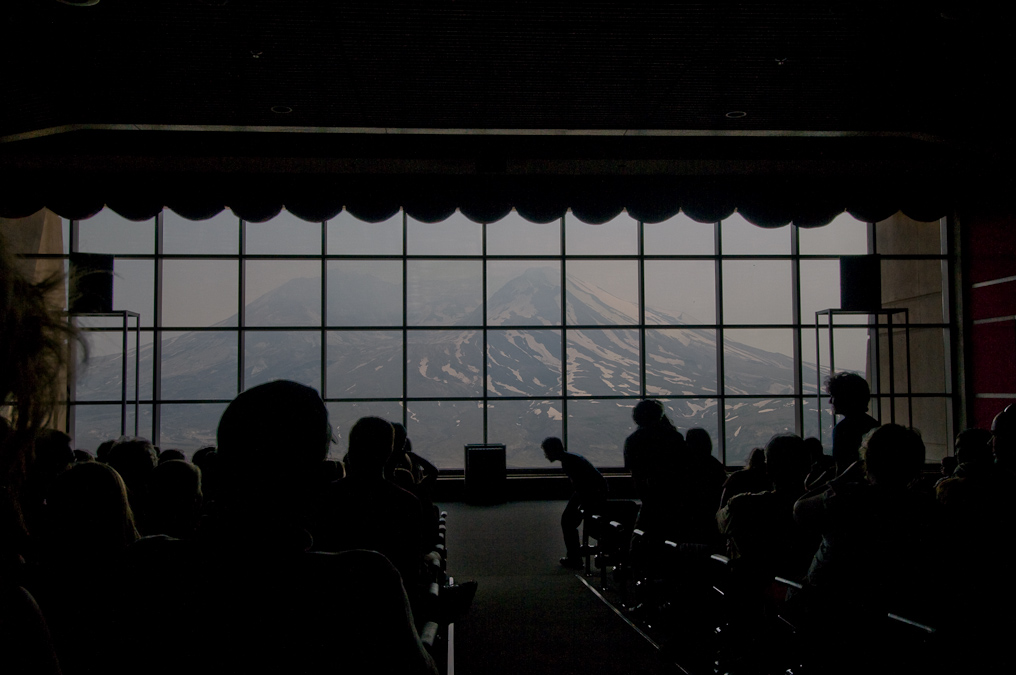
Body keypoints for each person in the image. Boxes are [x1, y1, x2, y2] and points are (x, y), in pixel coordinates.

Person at [542, 437, 608, 569]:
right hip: (592, 492)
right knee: (568, 521)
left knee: (567, 521)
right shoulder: (571, 459)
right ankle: (575, 556)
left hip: (590, 494)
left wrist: (582, 506)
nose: (546, 455)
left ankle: (574, 558)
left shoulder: (569, 462)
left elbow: (583, 486)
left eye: (546, 452)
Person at [825, 372, 879, 476]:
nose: (830, 401)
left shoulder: (843, 429)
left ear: (844, 397)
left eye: (833, 396)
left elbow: (842, 467)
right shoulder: (872, 424)